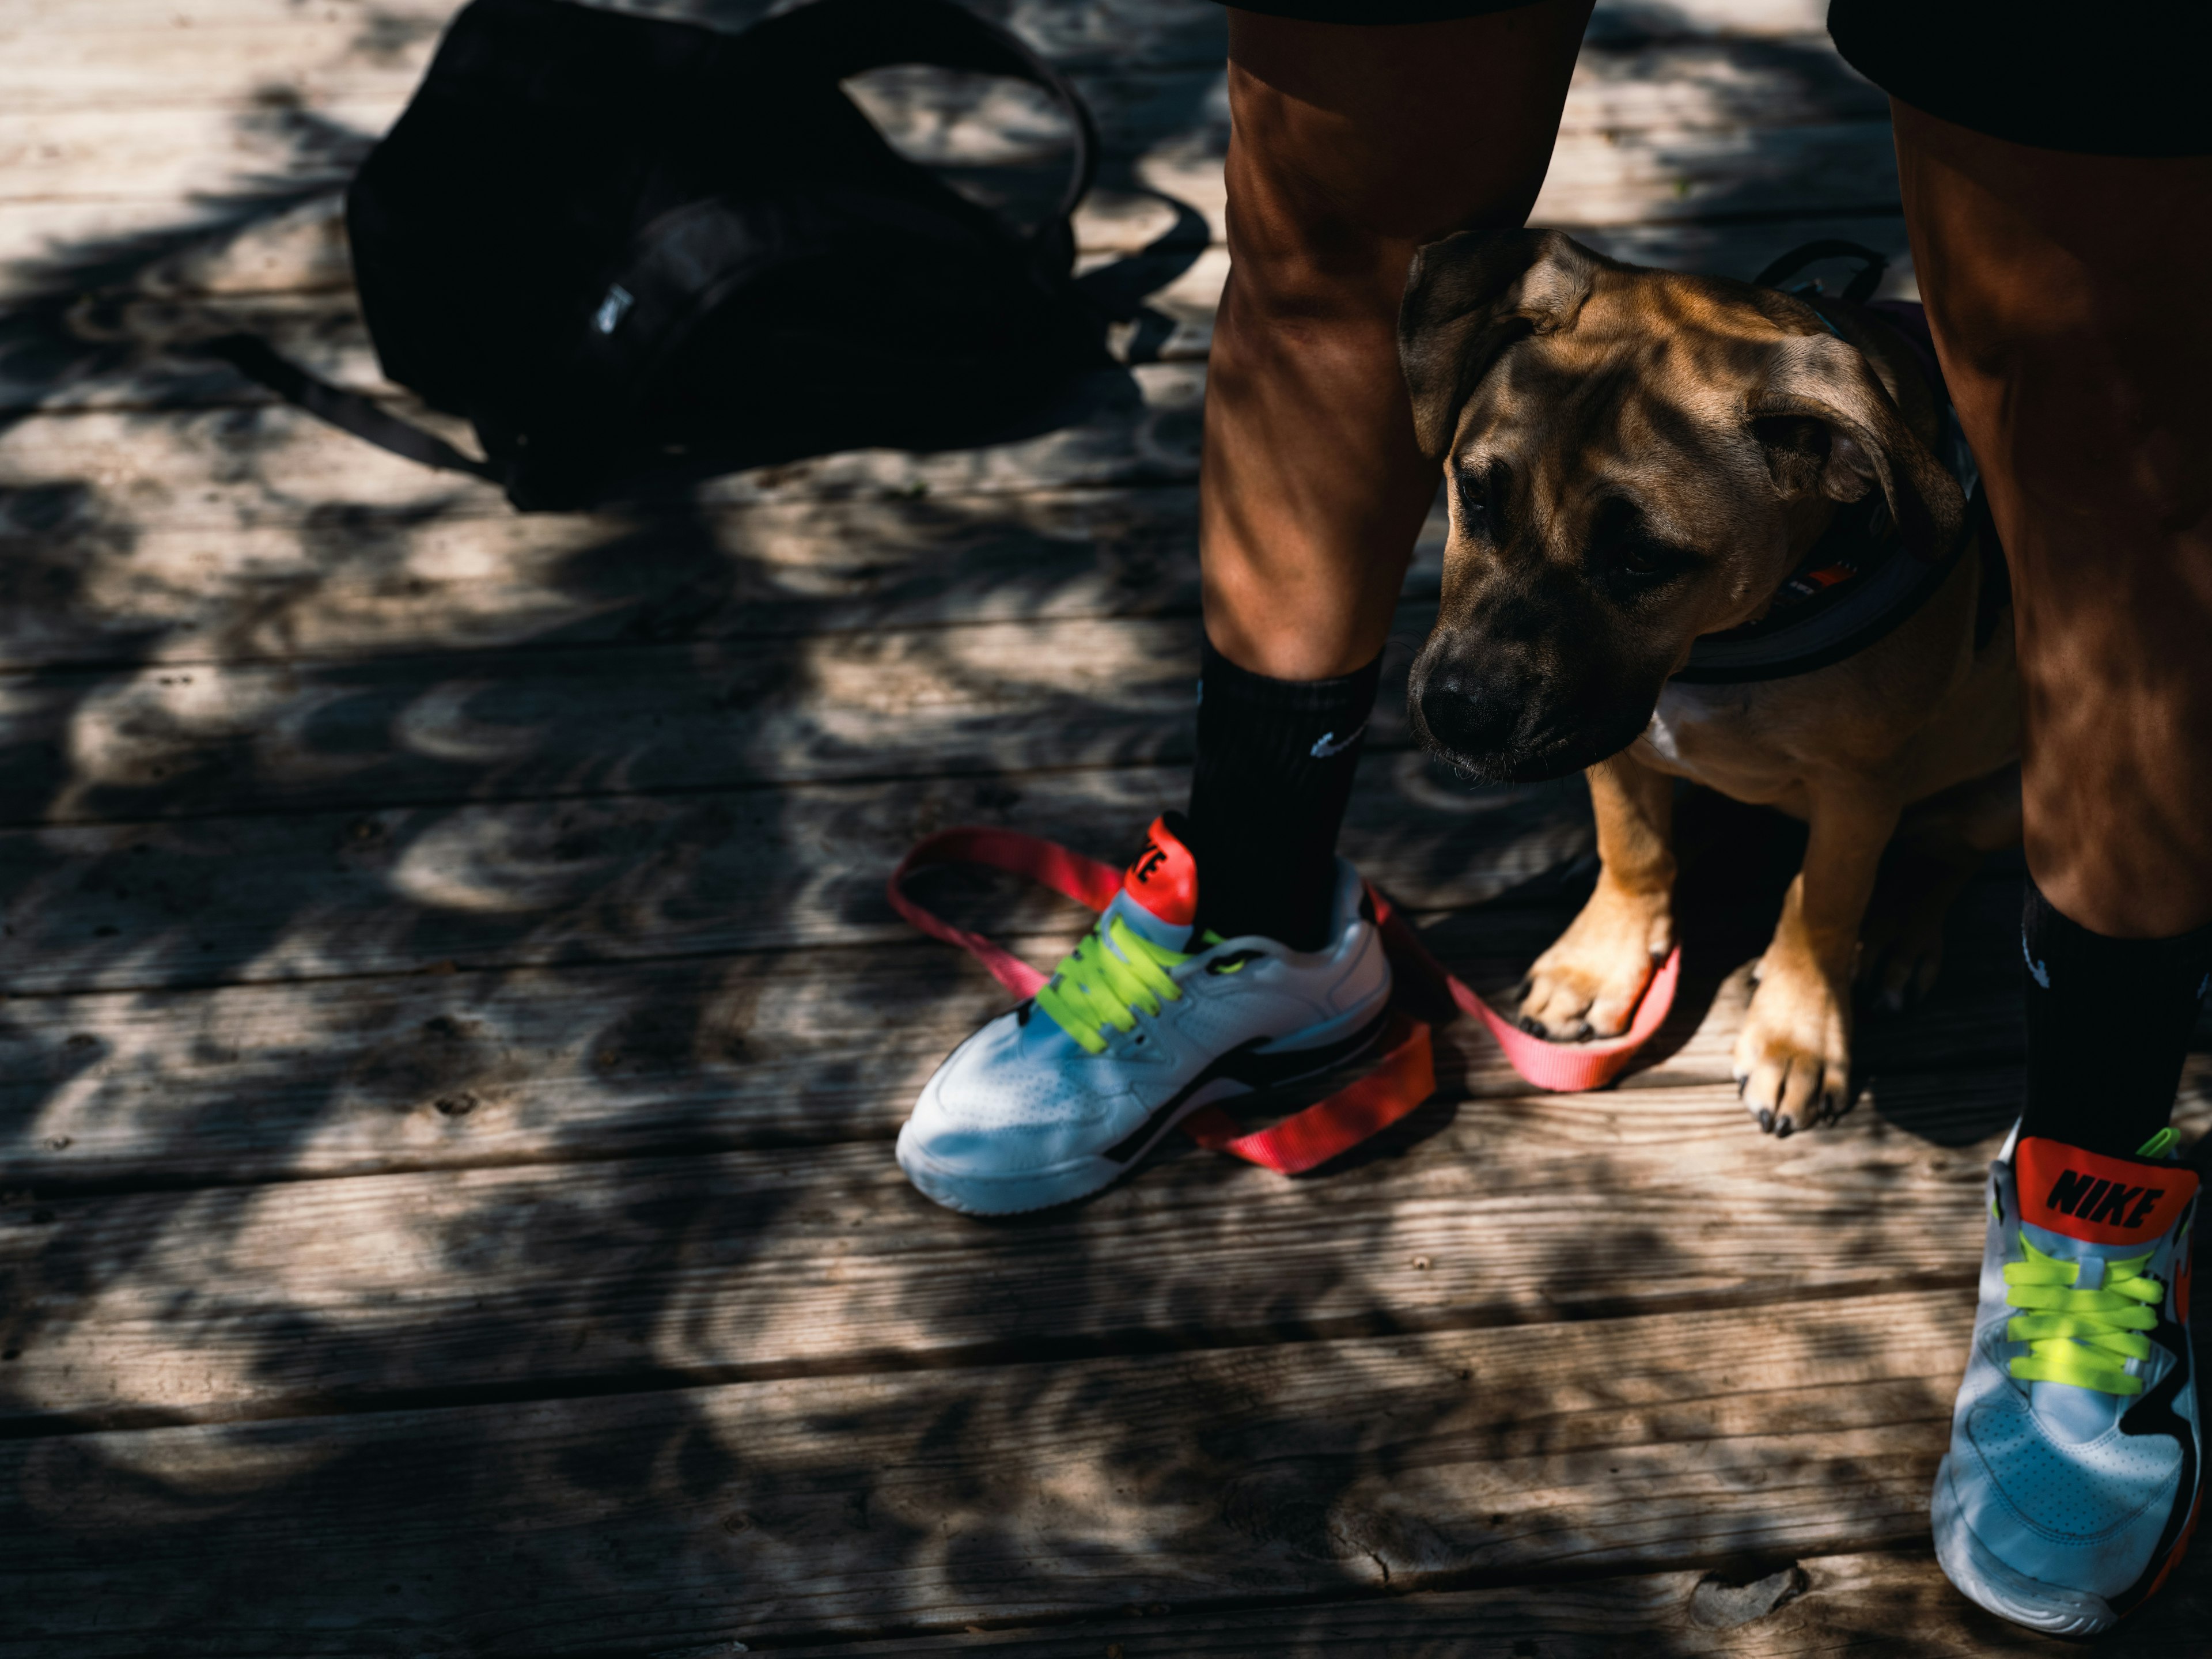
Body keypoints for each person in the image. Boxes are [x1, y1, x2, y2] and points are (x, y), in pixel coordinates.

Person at [895, 0, 2211, 1630]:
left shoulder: (1831, 481)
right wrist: (1629, 875)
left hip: (1907, 777)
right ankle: (1255, 909)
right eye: (1486, 498)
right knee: (1336, 239)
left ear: (1838, 466)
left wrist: (1825, 935)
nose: (1478, 651)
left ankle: (2094, 1178)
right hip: (1687, 724)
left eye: (1638, 556)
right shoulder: (1527, 369)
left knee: (2110, 421)